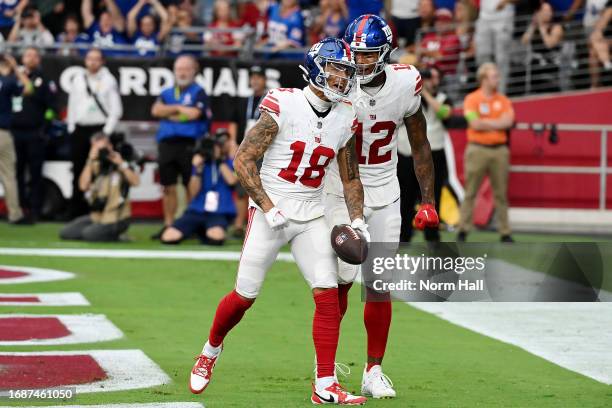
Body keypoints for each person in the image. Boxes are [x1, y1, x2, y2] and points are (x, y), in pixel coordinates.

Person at [188, 37, 368, 405]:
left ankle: (324, 385)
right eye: (336, 69)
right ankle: (210, 350)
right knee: (243, 297)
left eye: (346, 72)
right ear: (318, 67)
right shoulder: (284, 103)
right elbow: (243, 159)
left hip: (312, 212)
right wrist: (268, 206)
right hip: (272, 211)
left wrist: (358, 218)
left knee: (327, 295)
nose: (341, 78)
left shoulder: (346, 114)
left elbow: (350, 175)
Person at [324, 15, 439, 399]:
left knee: (379, 285)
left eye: (369, 55)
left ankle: (374, 369)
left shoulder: (405, 83)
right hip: (341, 190)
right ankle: (326, 368)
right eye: (355, 54)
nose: (359, 62)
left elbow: (420, 143)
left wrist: (428, 200)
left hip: (386, 189)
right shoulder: (337, 84)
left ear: (385, 53)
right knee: (338, 281)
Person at [150, 55, 211, 239]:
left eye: (186, 69)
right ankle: (169, 224)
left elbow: (194, 114)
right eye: (179, 69)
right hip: (167, 144)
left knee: (190, 186)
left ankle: (189, 224)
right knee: (167, 186)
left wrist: (171, 112)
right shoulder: (167, 91)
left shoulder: (199, 92)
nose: (182, 73)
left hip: (189, 144)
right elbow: (155, 110)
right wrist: (179, 109)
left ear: (194, 71)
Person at [398, 66, 459, 243]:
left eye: (433, 78)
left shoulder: (442, 98)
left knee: (433, 196)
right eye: (428, 78)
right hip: (407, 153)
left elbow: (444, 113)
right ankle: (404, 235)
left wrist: (425, 94)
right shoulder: (408, 99)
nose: (432, 81)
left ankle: (432, 235)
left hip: (434, 156)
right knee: (405, 197)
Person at [457, 62, 514, 242]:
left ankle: (505, 232)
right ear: (484, 78)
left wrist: (486, 123)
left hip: (500, 151)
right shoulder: (472, 99)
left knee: (501, 193)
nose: (497, 78)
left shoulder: (503, 100)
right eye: (494, 76)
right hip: (477, 149)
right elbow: (474, 124)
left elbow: (509, 122)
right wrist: (497, 124)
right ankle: (463, 229)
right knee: (470, 191)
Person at [66, 48, 123, 219]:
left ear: (102, 61)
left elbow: (116, 110)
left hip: (99, 129)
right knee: (78, 169)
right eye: (89, 58)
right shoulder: (78, 78)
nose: (92, 62)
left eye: (96, 59)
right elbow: (72, 104)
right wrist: (71, 126)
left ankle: (99, 208)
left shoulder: (109, 80)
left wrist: (105, 134)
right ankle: (77, 210)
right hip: (80, 129)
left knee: (100, 171)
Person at [60, 133, 139, 241]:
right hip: (97, 216)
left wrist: (121, 163)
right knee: (66, 232)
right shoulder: (95, 164)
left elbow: (135, 182)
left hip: (116, 217)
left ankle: (116, 236)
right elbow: (83, 186)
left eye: (103, 148)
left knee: (89, 234)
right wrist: (90, 160)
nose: (102, 152)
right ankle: (101, 232)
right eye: (96, 148)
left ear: (110, 146)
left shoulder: (121, 162)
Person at [161, 132, 237, 245]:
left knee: (216, 238)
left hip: (218, 211)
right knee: (168, 237)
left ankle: (204, 231)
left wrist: (218, 160)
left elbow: (232, 181)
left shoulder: (229, 161)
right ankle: (197, 230)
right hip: (197, 210)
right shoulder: (200, 164)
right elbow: (193, 192)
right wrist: (197, 169)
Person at [11, 47, 58, 222]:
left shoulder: (44, 81)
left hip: (34, 133)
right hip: (14, 133)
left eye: (33, 55)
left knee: (36, 173)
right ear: (22, 58)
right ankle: (19, 208)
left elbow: (52, 109)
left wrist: (43, 128)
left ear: (39, 59)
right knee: (17, 173)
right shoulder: (12, 79)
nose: (30, 58)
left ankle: (36, 209)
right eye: (27, 55)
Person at [229, 65, 268, 236]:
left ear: (264, 80)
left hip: (263, 151)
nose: (255, 80)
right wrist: (232, 144)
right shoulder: (243, 101)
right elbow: (234, 123)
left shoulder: (270, 101)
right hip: (244, 150)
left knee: (262, 188)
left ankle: (262, 226)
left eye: (258, 77)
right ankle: (239, 224)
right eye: (252, 77)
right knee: (241, 188)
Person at [0, 54, 32, 225]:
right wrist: (16, 69)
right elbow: (29, 88)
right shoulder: (9, 81)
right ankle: (15, 214)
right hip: (2, 133)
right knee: (8, 175)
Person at [474, 0, 518, 94]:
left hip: (503, 18)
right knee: (482, 56)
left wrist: (506, 1)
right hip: (484, 17)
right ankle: (485, 92)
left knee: (501, 59)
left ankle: (500, 94)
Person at [521, 1, 564, 93]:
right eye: (544, 11)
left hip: (551, 62)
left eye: (549, 11)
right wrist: (533, 26)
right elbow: (524, 41)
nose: (548, 13)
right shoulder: (534, 27)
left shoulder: (556, 27)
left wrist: (542, 29)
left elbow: (550, 44)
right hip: (536, 63)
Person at [589, 0, 612, 87]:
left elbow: (600, 24)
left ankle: (594, 86)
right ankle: (596, 85)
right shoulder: (608, 4)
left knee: (595, 44)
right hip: (605, 43)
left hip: (607, 43)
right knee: (593, 52)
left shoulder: (610, 10)